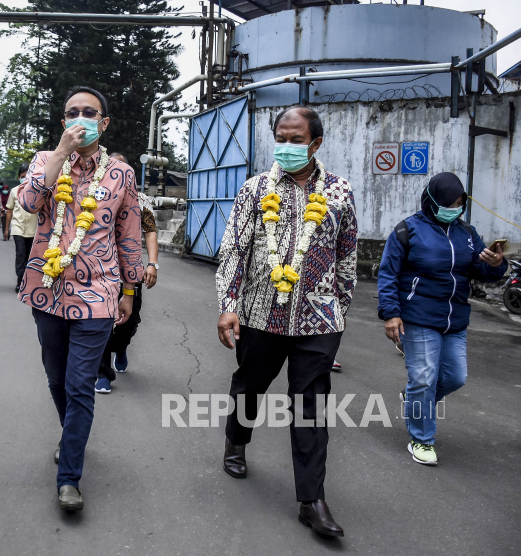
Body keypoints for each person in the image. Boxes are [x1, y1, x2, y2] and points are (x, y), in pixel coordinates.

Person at [216, 105, 357, 537]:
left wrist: (338, 307)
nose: (287, 146)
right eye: (282, 137)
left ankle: (311, 500)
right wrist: (228, 303)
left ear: (315, 143)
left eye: (297, 139)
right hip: (260, 315)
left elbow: (347, 253)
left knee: (311, 406)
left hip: (318, 322)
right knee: (250, 386)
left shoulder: (339, 191)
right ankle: (236, 441)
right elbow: (233, 249)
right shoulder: (256, 189)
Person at [18, 86, 142, 512]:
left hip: (100, 294)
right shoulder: (43, 162)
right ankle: (69, 436)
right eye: (72, 112)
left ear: (103, 123)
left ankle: (69, 477)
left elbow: (129, 234)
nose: (81, 118)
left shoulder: (122, 174)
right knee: (56, 380)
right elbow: (29, 203)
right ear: (63, 120)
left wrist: (129, 289)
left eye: (90, 113)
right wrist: (57, 155)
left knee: (79, 386)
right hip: (47, 290)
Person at [377, 172, 506, 466]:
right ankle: (422, 439)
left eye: (460, 203)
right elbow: (388, 274)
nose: (456, 208)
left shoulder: (467, 234)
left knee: (455, 377)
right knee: (423, 377)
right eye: (450, 203)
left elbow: (480, 272)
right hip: (418, 316)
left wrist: (496, 265)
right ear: (433, 200)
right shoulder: (407, 230)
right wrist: (391, 313)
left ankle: (414, 399)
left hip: (455, 319)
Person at [95, 152, 159, 394]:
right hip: (99, 269)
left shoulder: (140, 199)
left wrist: (152, 263)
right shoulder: (97, 193)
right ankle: (103, 372)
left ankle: (121, 347)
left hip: (130, 270)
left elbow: (150, 231)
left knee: (129, 320)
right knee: (100, 318)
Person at [5, 165, 38, 293]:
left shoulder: (37, 192)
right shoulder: (14, 191)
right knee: (20, 255)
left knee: (29, 256)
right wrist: (6, 230)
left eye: (27, 175)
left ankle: (28, 282)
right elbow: (9, 210)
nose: (25, 178)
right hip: (18, 228)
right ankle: (20, 282)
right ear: (18, 177)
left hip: (33, 229)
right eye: (22, 176)